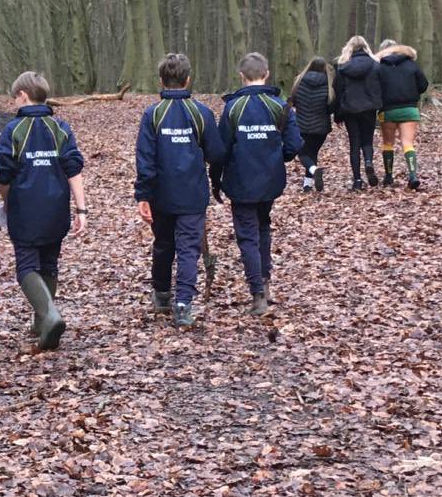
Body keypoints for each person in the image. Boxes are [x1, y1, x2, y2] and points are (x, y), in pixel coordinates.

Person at [0, 71, 87, 352]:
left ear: (23, 96)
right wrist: (81, 209)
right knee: (49, 263)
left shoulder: (13, 131)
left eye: (15, 98)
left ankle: (49, 315)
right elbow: (74, 170)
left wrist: (5, 203)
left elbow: (4, 174)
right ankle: (41, 323)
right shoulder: (61, 129)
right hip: (56, 208)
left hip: (25, 209)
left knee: (26, 266)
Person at [135, 53, 224, 329]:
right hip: (192, 194)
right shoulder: (201, 113)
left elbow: (145, 159)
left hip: (162, 195)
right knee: (188, 249)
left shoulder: (153, 114)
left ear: (161, 81)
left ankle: (162, 295)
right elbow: (216, 152)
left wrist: (144, 195)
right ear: (188, 80)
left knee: (163, 244)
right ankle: (183, 303)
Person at [210, 52, 302, 316]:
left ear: (241, 76)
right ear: (267, 74)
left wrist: (215, 181)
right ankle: (264, 282)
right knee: (262, 228)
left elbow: (220, 149)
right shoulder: (278, 105)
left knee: (248, 235)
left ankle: (258, 293)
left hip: (241, 182)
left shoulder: (234, 108)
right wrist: (277, 158)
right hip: (269, 181)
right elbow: (294, 144)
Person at [377, 40, 429, 189]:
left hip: (387, 110)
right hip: (409, 109)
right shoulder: (411, 64)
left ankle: (388, 176)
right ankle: (413, 176)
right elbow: (423, 85)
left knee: (388, 143)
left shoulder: (379, 67)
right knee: (408, 143)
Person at [334, 35, 382, 190]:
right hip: (369, 108)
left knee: (354, 143)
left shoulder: (342, 67)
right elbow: (379, 86)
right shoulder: (375, 65)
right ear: (365, 47)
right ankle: (368, 162)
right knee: (367, 140)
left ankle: (357, 180)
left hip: (350, 108)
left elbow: (338, 91)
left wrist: (338, 114)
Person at [290, 56, 335, 192]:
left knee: (302, 154)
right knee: (312, 153)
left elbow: (295, 101)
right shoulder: (328, 84)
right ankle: (307, 185)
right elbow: (330, 107)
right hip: (321, 128)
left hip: (302, 125)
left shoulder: (299, 81)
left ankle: (314, 171)